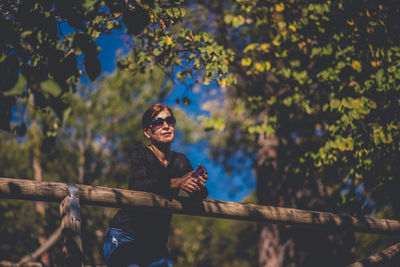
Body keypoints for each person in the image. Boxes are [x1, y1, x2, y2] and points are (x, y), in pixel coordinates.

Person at [103, 103, 208, 267]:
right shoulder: (141, 155)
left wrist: (198, 185)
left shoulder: (180, 162)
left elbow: (197, 195)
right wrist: (176, 182)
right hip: (125, 235)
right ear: (147, 132)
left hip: (156, 246)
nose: (166, 126)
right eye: (158, 123)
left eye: (170, 121)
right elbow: (139, 185)